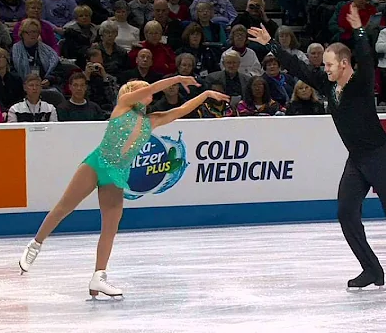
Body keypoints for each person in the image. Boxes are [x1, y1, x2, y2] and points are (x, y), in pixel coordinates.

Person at [247, 5, 386, 290]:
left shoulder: (360, 83)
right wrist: (271, 44)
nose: (325, 69)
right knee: (346, 212)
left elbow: (366, 57)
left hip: (380, 156)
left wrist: (359, 30)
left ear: (343, 64)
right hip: (357, 160)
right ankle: (372, 269)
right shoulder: (328, 86)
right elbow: (299, 67)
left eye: (330, 64)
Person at [17, 76, 230, 298]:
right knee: (64, 207)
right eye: (143, 87)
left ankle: (98, 277)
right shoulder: (124, 104)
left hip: (117, 173)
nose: (148, 89)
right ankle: (35, 245)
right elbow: (155, 87)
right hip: (97, 164)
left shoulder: (151, 121)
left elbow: (182, 109)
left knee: (110, 226)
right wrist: (178, 78)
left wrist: (205, 95)